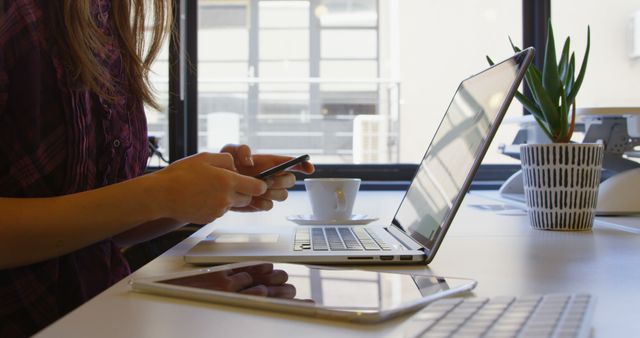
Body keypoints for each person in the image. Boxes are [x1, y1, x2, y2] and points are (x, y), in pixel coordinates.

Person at [0, 0, 314, 336]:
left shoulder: (107, 18)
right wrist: (159, 192)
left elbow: (99, 230)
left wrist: (196, 193)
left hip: (100, 315)